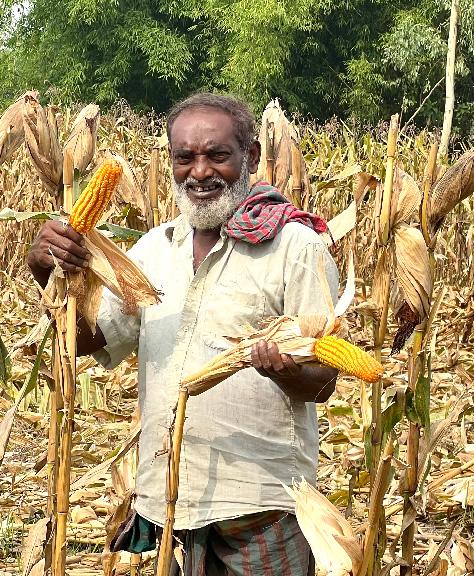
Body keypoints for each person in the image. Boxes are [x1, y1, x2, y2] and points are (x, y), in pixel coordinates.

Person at [27, 93, 340, 575]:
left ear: (250, 157)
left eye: (217, 155)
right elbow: (92, 340)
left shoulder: (296, 246)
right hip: (169, 499)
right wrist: (46, 273)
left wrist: (282, 371)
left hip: (260, 502)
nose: (199, 172)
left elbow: (324, 378)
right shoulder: (155, 249)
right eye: (184, 158)